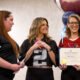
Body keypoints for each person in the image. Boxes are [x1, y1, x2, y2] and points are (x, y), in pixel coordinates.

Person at [0, 10, 21, 80]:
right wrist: (11, 66)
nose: (13, 23)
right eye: (11, 20)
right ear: (2, 20)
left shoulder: (5, 37)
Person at [59, 14, 80, 80]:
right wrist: (61, 66)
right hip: (66, 73)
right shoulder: (63, 40)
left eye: (76, 23)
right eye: (72, 23)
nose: (74, 25)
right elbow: (59, 57)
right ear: (68, 24)